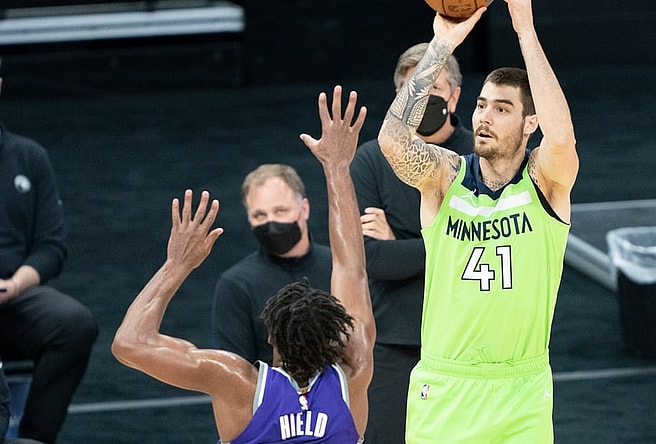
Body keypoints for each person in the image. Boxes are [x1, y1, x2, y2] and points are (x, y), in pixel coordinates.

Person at [112, 85, 375, 443]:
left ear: (269, 337)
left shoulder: (237, 382)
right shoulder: (354, 373)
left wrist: (176, 264)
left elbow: (129, 344)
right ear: (335, 335)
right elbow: (351, 269)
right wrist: (338, 167)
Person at [377, 1, 578, 441]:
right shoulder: (445, 178)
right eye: (482, 105)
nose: (484, 116)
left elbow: (563, 138)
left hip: (522, 388)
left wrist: (525, 31)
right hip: (446, 384)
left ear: (530, 123)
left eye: (502, 109)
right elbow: (392, 141)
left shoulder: (544, 184)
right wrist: (442, 44)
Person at [349, 42, 473, 443]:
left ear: (454, 96)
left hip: (470, 339)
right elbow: (374, 259)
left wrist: (402, 240)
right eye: (411, 90)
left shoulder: (480, 156)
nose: (421, 99)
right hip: (394, 343)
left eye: (433, 88)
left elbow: (488, 248)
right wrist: (452, 242)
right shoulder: (371, 160)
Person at [0, 77, 99, 444]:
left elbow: (50, 246)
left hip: (12, 294)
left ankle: (34, 438)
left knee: (74, 324)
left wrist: (14, 285)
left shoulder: (29, 157)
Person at [211, 162, 331, 364]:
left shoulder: (340, 269)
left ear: (304, 209)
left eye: (280, 211)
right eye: (260, 215)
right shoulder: (236, 285)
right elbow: (233, 370)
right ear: (249, 219)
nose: (271, 222)